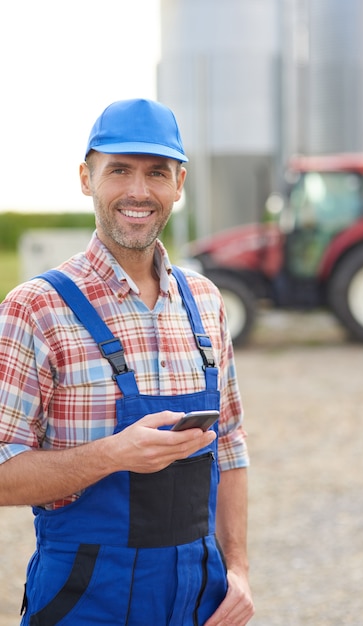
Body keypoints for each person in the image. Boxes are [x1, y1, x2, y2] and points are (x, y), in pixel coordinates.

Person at [0, 98, 254, 625]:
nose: (139, 191)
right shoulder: (36, 309)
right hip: (86, 602)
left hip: (199, 602)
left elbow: (229, 447)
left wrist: (239, 570)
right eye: (119, 170)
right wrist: (113, 454)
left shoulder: (205, 301)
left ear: (179, 185)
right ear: (86, 178)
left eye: (156, 173)